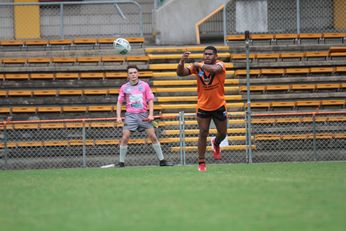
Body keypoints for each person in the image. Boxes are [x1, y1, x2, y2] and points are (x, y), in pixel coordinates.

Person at [176, 46, 228, 172]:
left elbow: (214, 69)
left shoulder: (220, 65)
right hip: (203, 106)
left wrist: (198, 64)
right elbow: (180, 73)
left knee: (223, 133)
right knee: (203, 132)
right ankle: (201, 162)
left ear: (216, 56)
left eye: (210, 54)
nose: (207, 56)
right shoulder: (198, 66)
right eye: (205, 54)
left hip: (219, 105)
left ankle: (216, 143)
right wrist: (182, 61)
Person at [116, 65, 173, 167]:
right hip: (130, 116)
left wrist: (151, 114)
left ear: (138, 74)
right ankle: (121, 162)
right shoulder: (124, 87)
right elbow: (119, 102)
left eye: (135, 72)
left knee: (153, 136)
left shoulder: (145, 85)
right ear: (128, 75)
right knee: (125, 138)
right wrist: (118, 116)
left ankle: (162, 161)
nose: (133, 75)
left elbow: (150, 100)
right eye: (131, 73)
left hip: (144, 115)